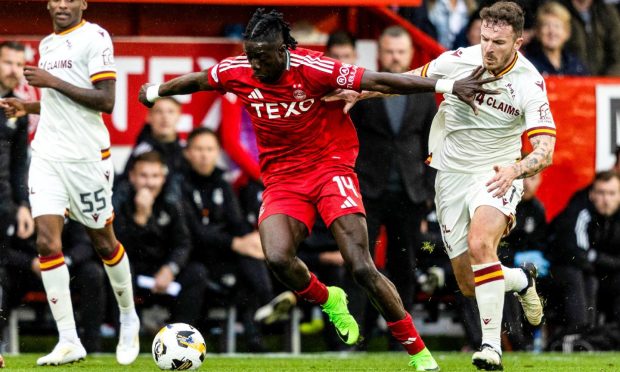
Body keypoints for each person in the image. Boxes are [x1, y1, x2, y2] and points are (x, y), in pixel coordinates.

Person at [139, 8, 497, 370]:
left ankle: (419, 354)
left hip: (330, 168)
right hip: (282, 179)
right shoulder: (239, 70)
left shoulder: (314, 68)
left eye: (262, 57)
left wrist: (447, 85)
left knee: (361, 265)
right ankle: (331, 300)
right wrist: (156, 90)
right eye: (251, 56)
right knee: (278, 257)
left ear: (284, 51)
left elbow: (379, 80)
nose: (255, 64)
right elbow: (200, 80)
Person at [0, 0, 139, 366]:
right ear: (48, 4)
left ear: (82, 3)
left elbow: (106, 101)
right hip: (46, 155)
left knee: (103, 241)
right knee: (47, 243)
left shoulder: (96, 38)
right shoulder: (46, 44)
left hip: (87, 160)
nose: (63, 4)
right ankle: (68, 340)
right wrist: (27, 107)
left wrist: (51, 81)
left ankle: (128, 315)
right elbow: (59, 105)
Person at [419, 3, 555, 369]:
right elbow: (409, 80)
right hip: (450, 176)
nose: (489, 48)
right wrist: (358, 92)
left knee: (482, 244)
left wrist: (516, 170)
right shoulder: (459, 60)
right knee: (468, 282)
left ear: (519, 42)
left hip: (496, 174)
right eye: (484, 39)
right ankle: (522, 281)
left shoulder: (529, 82)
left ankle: (491, 347)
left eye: (498, 41)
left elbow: (545, 152)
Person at [348, 25, 437, 338]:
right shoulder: (363, 90)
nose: (395, 57)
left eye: (401, 52)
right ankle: (355, 335)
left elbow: (433, 143)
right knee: (360, 266)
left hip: (410, 196)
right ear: (379, 53)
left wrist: (428, 190)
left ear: (410, 54)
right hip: (368, 192)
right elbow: (349, 140)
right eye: (390, 51)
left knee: (405, 268)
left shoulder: (424, 93)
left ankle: (403, 336)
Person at [181, 128, 294, 350]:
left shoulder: (222, 182)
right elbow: (191, 231)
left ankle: (256, 336)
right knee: (245, 258)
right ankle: (266, 304)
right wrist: (235, 243)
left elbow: (237, 221)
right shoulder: (179, 183)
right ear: (188, 153)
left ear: (217, 153)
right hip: (194, 257)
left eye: (210, 149)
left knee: (250, 258)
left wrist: (251, 239)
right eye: (199, 149)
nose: (205, 155)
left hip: (223, 256)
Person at [113, 151, 208, 330]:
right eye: (143, 176)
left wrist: (170, 269)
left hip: (163, 271)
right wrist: (141, 218)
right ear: (132, 177)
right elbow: (120, 248)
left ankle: (181, 335)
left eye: (155, 176)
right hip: (134, 272)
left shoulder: (171, 202)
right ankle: (127, 335)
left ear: (163, 178)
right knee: (118, 272)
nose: (149, 182)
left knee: (197, 273)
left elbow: (183, 243)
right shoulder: (120, 201)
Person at [1, 219, 107, 353]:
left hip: (65, 270)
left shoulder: (67, 207)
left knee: (92, 272)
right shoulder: (17, 208)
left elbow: (85, 245)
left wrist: (63, 261)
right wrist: (30, 262)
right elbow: (4, 250)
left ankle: (91, 346)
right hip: (26, 274)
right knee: (2, 275)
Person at [547, 171, 620, 332]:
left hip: (601, 269)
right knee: (582, 277)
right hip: (562, 268)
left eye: (611, 193)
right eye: (601, 193)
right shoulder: (580, 210)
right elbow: (576, 253)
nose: (606, 199)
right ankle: (580, 333)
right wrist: (601, 261)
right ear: (592, 194)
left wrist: (598, 258)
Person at [0, 41, 34, 257]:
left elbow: (19, 163)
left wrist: (22, 204)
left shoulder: (18, 107)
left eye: (19, 64)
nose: (14, 70)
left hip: (3, 204)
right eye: (7, 62)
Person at [121, 96, 187, 180]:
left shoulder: (186, 150)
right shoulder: (140, 152)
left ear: (179, 116)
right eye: (159, 111)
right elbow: (125, 185)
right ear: (149, 117)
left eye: (170, 111)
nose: (165, 117)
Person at [525, 1, 589, 76]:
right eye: (546, 25)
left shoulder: (576, 66)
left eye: (557, 26)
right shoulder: (528, 65)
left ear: (567, 33)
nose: (552, 31)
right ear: (538, 31)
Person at [562, 0, 620, 76]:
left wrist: (604, 83)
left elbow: (617, 53)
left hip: (605, 82)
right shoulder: (558, 9)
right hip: (569, 81)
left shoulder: (607, 11)